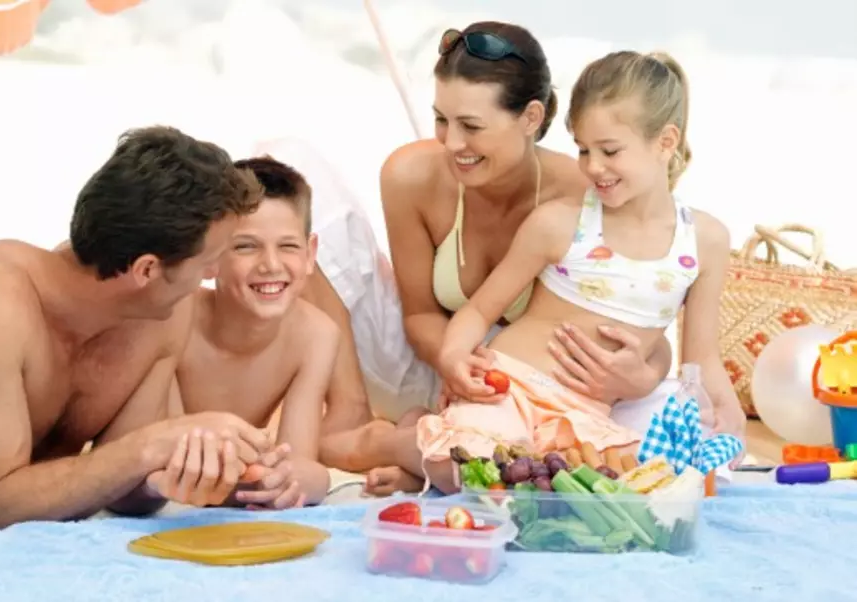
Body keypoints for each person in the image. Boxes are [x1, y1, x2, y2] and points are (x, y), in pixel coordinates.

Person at [298, 23, 675, 486]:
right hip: (439, 364)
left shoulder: (590, 194)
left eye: (471, 126)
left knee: (605, 464)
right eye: (442, 119)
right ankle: (362, 422)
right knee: (292, 172)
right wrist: (459, 364)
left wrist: (646, 375)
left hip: (535, 393)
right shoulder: (411, 175)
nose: (452, 143)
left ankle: (422, 450)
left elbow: (642, 308)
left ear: (531, 118)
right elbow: (418, 314)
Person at [371, 48, 749, 494]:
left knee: (610, 484)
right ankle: (405, 443)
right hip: (510, 389)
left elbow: (699, 360)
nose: (592, 167)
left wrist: (732, 421)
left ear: (665, 142)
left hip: (590, 416)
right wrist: (455, 358)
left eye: (609, 151)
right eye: (583, 150)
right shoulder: (561, 222)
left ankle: (426, 456)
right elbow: (477, 312)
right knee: (483, 472)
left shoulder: (703, 240)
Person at [0, 126, 273, 528]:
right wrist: (154, 444)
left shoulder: (165, 314)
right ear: (147, 269)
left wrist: (174, 474)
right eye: (211, 259)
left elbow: (124, 486)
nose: (213, 275)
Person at [175, 156, 335, 510]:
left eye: (288, 246)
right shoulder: (175, 320)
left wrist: (291, 480)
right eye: (246, 246)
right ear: (211, 256)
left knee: (322, 480)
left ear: (310, 255)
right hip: (165, 477)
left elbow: (299, 462)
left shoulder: (316, 335)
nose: (271, 265)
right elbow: (167, 461)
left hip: (232, 475)